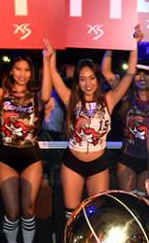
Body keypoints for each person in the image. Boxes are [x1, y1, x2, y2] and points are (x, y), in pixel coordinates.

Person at [50, 25, 141, 220]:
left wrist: (134, 45)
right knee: (71, 215)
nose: (88, 84)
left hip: (99, 164)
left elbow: (130, 74)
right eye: (82, 79)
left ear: (98, 80)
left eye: (91, 78)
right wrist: (50, 55)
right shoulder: (70, 98)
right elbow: (55, 77)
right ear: (77, 82)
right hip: (72, 163)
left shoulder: (108, 99)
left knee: (98, 215)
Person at [0, 40, 53, 243]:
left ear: (32, 73)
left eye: (27, 70)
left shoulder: (36, 95)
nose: (22, 74)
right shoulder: (2, 94)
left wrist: (46, 61)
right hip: (6, 157)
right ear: (11, 70)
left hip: (31, 155)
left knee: (28, 209)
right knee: (12, 212)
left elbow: (47, 94)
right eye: (18, 69)